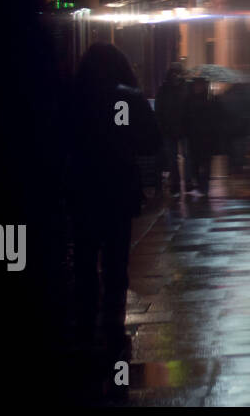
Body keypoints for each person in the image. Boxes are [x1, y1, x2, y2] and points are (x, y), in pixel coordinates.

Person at [64, 43, 161, 355]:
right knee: (116, 265)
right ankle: (113, 332)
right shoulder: (127, 98)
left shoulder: (73, 98)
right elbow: (151, 142)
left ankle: (84, 330)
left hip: (82, 190)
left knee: (84, 262)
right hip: (118, 190)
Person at [182, 76, 219, 194]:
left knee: (205, 161)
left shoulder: (209, 100)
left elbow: (214, 118)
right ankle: (199, 182)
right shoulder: (189, 100)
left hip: (205, 136)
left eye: (201, 85)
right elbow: (185, 117)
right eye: (197, 85)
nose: (198, 87)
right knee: (196, 161)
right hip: (194, 136)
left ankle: (204, 184)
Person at [154, 63, 186, 195]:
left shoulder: (181, 88)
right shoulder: (167, 89)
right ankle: (176, 184)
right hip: (171, 128)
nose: (176, 75)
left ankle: (179, 184)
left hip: (179, 128)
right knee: (173, 158)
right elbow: (159, 109)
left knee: (180, 157)